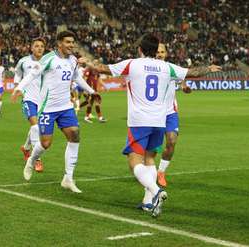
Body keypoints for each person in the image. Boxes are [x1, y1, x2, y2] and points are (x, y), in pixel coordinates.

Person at [84, 33, 221, 217]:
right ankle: (148, 202)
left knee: (134, 162)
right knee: (149, 159)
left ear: (140, 49)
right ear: (156, 50)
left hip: (139, 121)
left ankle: (156, 191)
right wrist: (209, 68)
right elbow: (193, 72)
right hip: (160, 121)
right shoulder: (166, 67)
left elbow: (101, 68)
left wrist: (86, 62)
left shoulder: (132, 64)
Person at [11, 30, 98, 193]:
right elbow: (31, 75)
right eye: (67, 42)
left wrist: (92, 91)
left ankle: (68, 177)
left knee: (75, 135)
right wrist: (18, 88)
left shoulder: (73, 60)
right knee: (45, 144)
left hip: (65, 107)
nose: (71, 45)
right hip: (48, 109)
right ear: (59, 43)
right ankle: (31, 160)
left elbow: (77, 78)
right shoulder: (48, 59)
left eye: (72, 42)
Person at [154, 43, 192, 187]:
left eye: (162, 52)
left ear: (166, 54)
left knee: (172, 141)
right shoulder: (148, 68)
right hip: (154, 113)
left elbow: (182, 81)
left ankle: (161, 172)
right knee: (152, 148)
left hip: (170, 113)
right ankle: (147, 170)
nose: (160, 54)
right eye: (157, 52)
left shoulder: (171, 69)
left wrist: (184, 87)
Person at [14, 37, 46, 173]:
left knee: (37, 128)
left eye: (42, 46)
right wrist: (18, 88)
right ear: (31, 48)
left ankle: (26, 147)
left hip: (43, 100)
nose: (39, 48)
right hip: (29, 98)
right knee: (35, 126)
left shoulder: (47, 62)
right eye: (36, 46)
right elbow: (17, 75)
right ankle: (36, 160)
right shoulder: (23, 62)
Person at [83, 59, 107, 123]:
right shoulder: (89, 69)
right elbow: (85, 79)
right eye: (94, 62)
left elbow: (99, 79)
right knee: (94, 103)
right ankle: (99, 117)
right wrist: (85, 89)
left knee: (93, 103)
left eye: (97, 62)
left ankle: (87, 117)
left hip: (94, 90)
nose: (95, 63)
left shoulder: (97, 70)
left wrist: (104, 86)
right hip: (90, 89)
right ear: (92, 63)